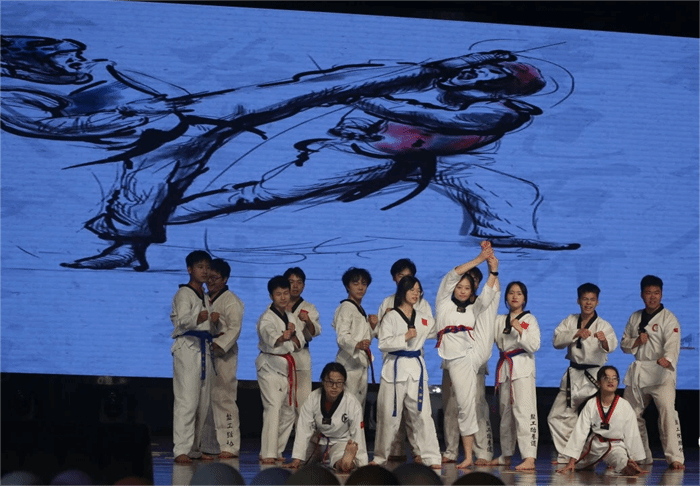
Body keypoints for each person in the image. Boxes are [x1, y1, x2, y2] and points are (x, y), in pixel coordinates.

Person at [0, 36, 578, 272]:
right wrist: (361, 110)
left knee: (498, 185)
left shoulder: (500, 111)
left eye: (489, 74)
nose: (477, 75)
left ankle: (511, 235)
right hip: (355, 151)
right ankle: (130, 243)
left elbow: (428, 116)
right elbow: (362, 95)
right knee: (238, 188)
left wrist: (404, 87)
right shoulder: (427, 82)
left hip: (408, 159)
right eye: (476, 68)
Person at [435, 243, 500, 468]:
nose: (462, 290)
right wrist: (480, 258)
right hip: (457, 359)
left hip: (474, 350)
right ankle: (469, 456)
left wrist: (493, 270)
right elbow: (452, 275)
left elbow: (487, 296)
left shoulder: (473, 307)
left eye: (467, 288)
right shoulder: (443, 303)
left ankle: (495, 265)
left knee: (489, 305)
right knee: (465, 405)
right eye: (460, 287)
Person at [372, 275, 442, 468]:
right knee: (389, 416)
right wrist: (404, 337)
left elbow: (437, 328)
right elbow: (383, 343)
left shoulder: (423, 318)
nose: (416, 294)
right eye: (412, 290)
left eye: (418, 290)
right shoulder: (391, 316)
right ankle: (380, 457)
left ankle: (431, 457)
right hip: (394, 368)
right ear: (403, 291)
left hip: (416, 370)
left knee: (422, 414)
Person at [547, 283, 618, 463]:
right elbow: (556, 341)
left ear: (597, 302)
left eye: (592, 299)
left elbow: (611, 346)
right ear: (578, 300)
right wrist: (576, 333)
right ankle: (569, 455)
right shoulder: (570, 321)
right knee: (556, 417)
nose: (588, 303)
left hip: (595, 376)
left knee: (600, 419)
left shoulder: (603, 325)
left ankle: (610, 457)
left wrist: (603, 341)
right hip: (574, 374)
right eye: (585, 299)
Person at [620, 275, 684, 469]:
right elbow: (624, 344)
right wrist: (636, 341)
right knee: (630, 414)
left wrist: (668, 359)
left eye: (656, 293)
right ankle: (641, 455)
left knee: (667, 413)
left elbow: (673, 344)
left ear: (661, 294)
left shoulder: (669, 318)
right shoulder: (635, 317)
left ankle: (675, 457)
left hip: (661, 372)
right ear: (642, 294)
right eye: (648, 293)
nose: (652, 297)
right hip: (639, 371)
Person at [556, 366, 645, 476]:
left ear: (618, 382)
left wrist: (634, 459)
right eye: (606, 378)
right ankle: (578, 463)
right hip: (595, 445)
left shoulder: (624, 405)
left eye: (614, 378)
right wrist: (571, 461)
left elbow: (632, 433)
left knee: (622, 463)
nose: (610, 381)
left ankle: (627, 466)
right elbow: (580, 431)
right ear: (598, 382)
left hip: (616, 445)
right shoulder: (591, 404)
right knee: (577, 466)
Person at [489, 280, 540, 470]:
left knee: (524, 412)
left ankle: (529, 457)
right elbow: (489, 339)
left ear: (524, 298)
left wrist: (520, 329)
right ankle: (506, 454)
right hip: (505, 368)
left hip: (523, 369)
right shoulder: (499, 320)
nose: (515, 296)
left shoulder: (530, 320)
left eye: (519, 293)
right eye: (511, 293)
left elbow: (534, 345)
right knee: (506, 414)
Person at [255, 275, 306, 464]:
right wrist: (283, 337)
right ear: (271, 296)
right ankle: (267, 452)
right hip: (269, 366)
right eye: (278, 294)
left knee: (288, 411)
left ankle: (277, 450)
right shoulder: (266, 318)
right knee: (273, 408)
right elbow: (270, 337)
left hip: (285, 368)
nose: (283, 297)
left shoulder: (290, 316)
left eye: (286, 293)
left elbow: (299, 342)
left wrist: (292, 334)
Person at [170, 250, 214, 463]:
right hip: (187, 347)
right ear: (190, 269)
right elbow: (180, 321)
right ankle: (181, 449)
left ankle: (195, 448)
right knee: (187, 400)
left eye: (207, 267)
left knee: (202, 402)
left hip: (204, 347)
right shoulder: (183, 294)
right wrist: (197, 318)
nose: (204, 271)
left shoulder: (205, 295)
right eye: (200, 267)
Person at [284, 362, 368, 472]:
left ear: (344, 383)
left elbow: (358, 433)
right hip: (316, 442)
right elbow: (304, 429)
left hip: (339, 442)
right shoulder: (313, 398)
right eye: (330, 382)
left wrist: (362, 464)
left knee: (340, 462)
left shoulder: (352, 402)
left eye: (339, 383)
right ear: (323, 381)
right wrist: (297, 459)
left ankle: (346, 461)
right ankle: (338, 460)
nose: (334, 387)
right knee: (302, 460)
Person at [205, 258, 245, 458]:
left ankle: (229, 445)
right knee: (205, 400)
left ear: (225, 279)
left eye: (215, 278)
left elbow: (234, 329)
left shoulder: (231, 301)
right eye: (208, 277)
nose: (210, 281)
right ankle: (208, 445)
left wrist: (218, 344)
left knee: (224, 399)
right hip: (204, 354)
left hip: (223, 355)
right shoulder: (203, 298)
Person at [332, 267, 378, 412]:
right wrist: (357, 344)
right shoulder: (345, 307)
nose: (360, 287)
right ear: (347, 286)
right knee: (346, 407)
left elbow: (364, 338)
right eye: (355, 283)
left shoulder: (360, 309)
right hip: (348, 364)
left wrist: (372, 327)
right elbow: (342, 337)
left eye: (364, 284)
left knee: (358, 409)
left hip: (361, 364)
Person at [284, 267, 322, 422]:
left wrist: (308, 321)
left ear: (304, 285)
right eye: (291, 282)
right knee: (283, 405)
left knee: (303, 404)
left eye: (299, 282)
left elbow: (315, 332)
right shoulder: (276, 306)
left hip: (301, 356)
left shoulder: (309, 307)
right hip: (281, 357)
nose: (295, 286)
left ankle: (303, 437)